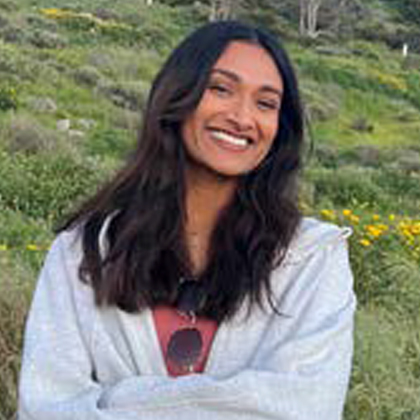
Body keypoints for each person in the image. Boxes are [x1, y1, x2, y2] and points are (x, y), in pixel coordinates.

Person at [18, 20, 356, 420]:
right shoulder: (83, 252)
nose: (242, 117)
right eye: (221, 89)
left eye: (266, 103)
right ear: (177, 96)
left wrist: (114, 401)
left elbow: (307, 408)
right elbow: (44, 408)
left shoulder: (312, 259)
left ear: (279, 127)